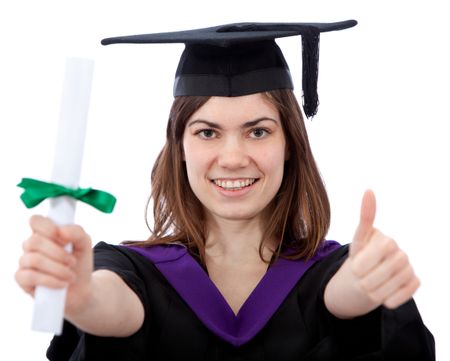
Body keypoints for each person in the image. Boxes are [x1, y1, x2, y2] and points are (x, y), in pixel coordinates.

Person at [15, 21, 435, 360]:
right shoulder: (131, 270)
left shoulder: (335, 272)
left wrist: (365, 293)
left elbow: (341, 297)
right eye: (208, 132)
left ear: (290, 144)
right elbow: (115, 307)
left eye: (257, 131)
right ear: (180, 147)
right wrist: (83, 298)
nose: (232, 157)